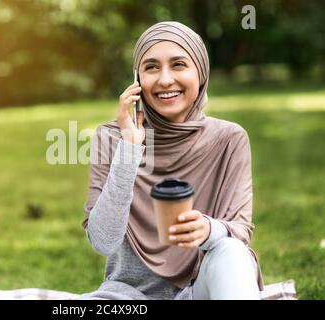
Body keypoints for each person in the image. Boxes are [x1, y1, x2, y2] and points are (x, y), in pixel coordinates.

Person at [79, 21, 263, 300]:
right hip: (129, 297)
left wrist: (208, 229)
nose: (165, 79)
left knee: (234, 253)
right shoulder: (112, 138)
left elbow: (238, 230)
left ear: (200, 72)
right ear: (138, 79)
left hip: (197, 290)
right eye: (151, 67)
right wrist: (130, 148)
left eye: (178, 64)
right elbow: (103, 241)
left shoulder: (229, 138)